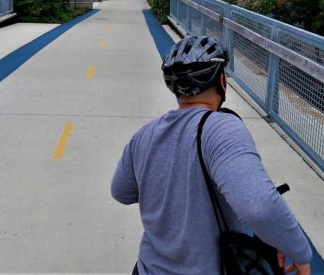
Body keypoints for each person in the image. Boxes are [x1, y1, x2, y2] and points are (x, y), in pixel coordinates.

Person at [111, 35, 312, 275]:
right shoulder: (222, 128)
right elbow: (259, 206)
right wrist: (299, 251)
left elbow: (121, 192)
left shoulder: (144, 135)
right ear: (221, 80)